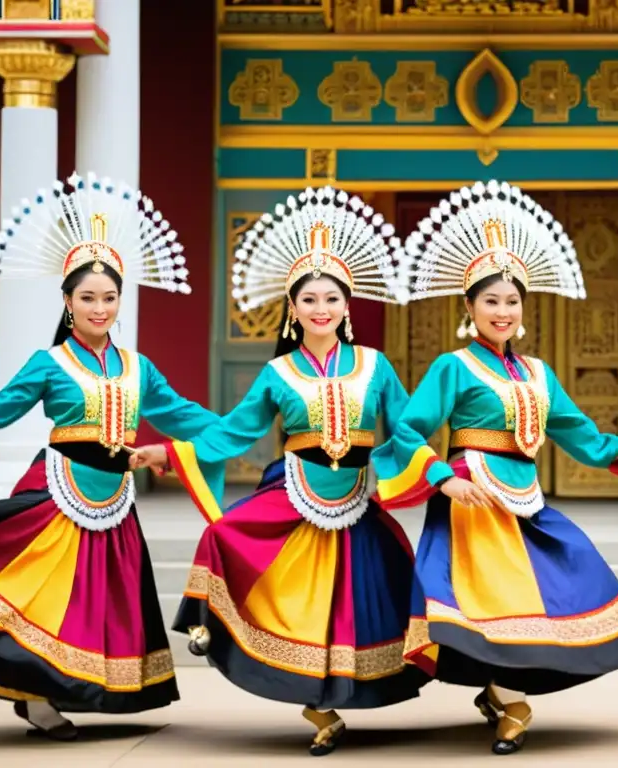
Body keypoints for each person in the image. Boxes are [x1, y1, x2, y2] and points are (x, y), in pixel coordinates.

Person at [129, 186, 427, 757]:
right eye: (309, 299)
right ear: (293, 309)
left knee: (365, 602)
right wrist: (168, 453)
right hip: (297, 495)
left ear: (348, 306)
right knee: (229, 539)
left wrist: (424, 464)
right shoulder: (278, 373)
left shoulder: (376, 366)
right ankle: (244, 648)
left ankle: (346, 698)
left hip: (360, 498)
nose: (321, 308)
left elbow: (409, 427)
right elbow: (232, 432)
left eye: (332, 299)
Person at [371, 180, 618, 756]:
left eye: (511, 302)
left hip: (524, 497)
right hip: (472, 501)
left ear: (524, 309)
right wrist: (443, 478)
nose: (502, 312)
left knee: (566, 568)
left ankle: (498, 691)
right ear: (469, 308)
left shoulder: (538, 372)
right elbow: (406, 429)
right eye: (490, 302)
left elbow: (577, 433)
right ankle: (513, 701)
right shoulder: (453, 367)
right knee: (495, 603)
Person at [0, 172, 218, 739]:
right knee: (37, 596)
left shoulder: (137, 367)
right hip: (57, 493)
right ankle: (36, 697)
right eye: (87, 298)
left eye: (109, 297)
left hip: (114, 502)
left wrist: (241, 424)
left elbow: (182, 416)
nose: (99, 308)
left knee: (95, 603)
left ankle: (56, 692)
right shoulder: (48, 362)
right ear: (67, 301)